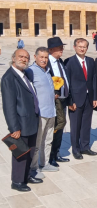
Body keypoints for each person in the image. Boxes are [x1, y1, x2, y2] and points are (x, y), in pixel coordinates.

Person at [1, 49, 41, 191]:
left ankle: (27, 175)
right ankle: (17, 181)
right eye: (21, 57)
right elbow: (9, 106)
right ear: (13, 58)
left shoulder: (24, 74)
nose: (24, 59)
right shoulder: (9, 78)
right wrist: (14, 128)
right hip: (21, 124)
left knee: (30, 151)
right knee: (20, 153)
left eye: (26, 57)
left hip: (31, 120)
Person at [25, 47, 58, 180]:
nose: (44, 60)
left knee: (48, 140)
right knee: (37, 143)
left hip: (51, 111)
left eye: (46, 57)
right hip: (41, 113)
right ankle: (33, 168)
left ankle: (44, 163)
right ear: (35, 57)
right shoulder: (31, 71)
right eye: (41, 57)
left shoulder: (47, 71)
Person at [64, 38, 97, 159]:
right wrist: (70, 101)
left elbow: (93, 79)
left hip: (89, 98)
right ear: (75, 47)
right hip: (75, 99)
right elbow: (67, 83)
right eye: (80, 46)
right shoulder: (69, 62)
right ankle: (76, 149)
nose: (82, 49)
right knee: (75, 125)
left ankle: (85, 146)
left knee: (86, 124)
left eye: (84, 47)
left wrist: (94, 97)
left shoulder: (90, 61)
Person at [46, 37, 70, 167]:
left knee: (60, 128)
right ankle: (49, 156)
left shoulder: (60, 62)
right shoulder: (46, 64)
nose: (62, 49)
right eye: (59, 47)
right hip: (54, 102)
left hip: (63, 100)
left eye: (62, 46)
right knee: (53, 129)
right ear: (51, 50)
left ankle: (56, 153)